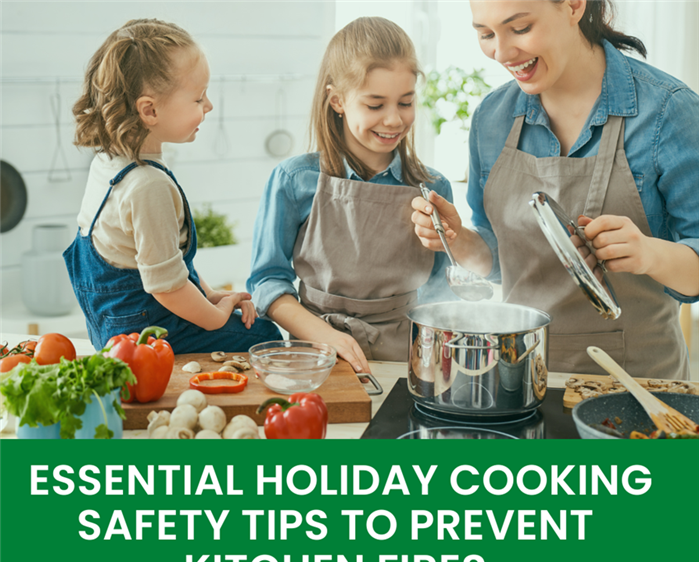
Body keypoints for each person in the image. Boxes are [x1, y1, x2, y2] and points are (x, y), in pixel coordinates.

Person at [412, 0, 699, 378]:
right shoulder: (492, 118)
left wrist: (648, 254)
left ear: (574, 5)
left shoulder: (666, 112)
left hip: (635, 387)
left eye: (520, 28)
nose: (501, 52)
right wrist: (460, 240)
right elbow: (500, 259)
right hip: (520, 379)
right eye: (485, 34)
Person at [247, 17, 454, 373]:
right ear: (338, 100)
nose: (393, 120)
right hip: (315, 353)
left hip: (409, 356)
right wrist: (324, 335)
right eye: (375, 105)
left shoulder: (433, 187)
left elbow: (442, 289)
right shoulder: (294, 180)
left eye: (405, 103)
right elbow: (267, 282)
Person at [64, 18, 281, 353]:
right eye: (198, 98)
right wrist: (216, 315)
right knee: (266, 337)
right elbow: (166, 287)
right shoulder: (147, 185)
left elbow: (165, 260)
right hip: (148, 336)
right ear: (149, 110)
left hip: (111, 329)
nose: (208, 106)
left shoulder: (107, 163)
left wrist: (208, 295)